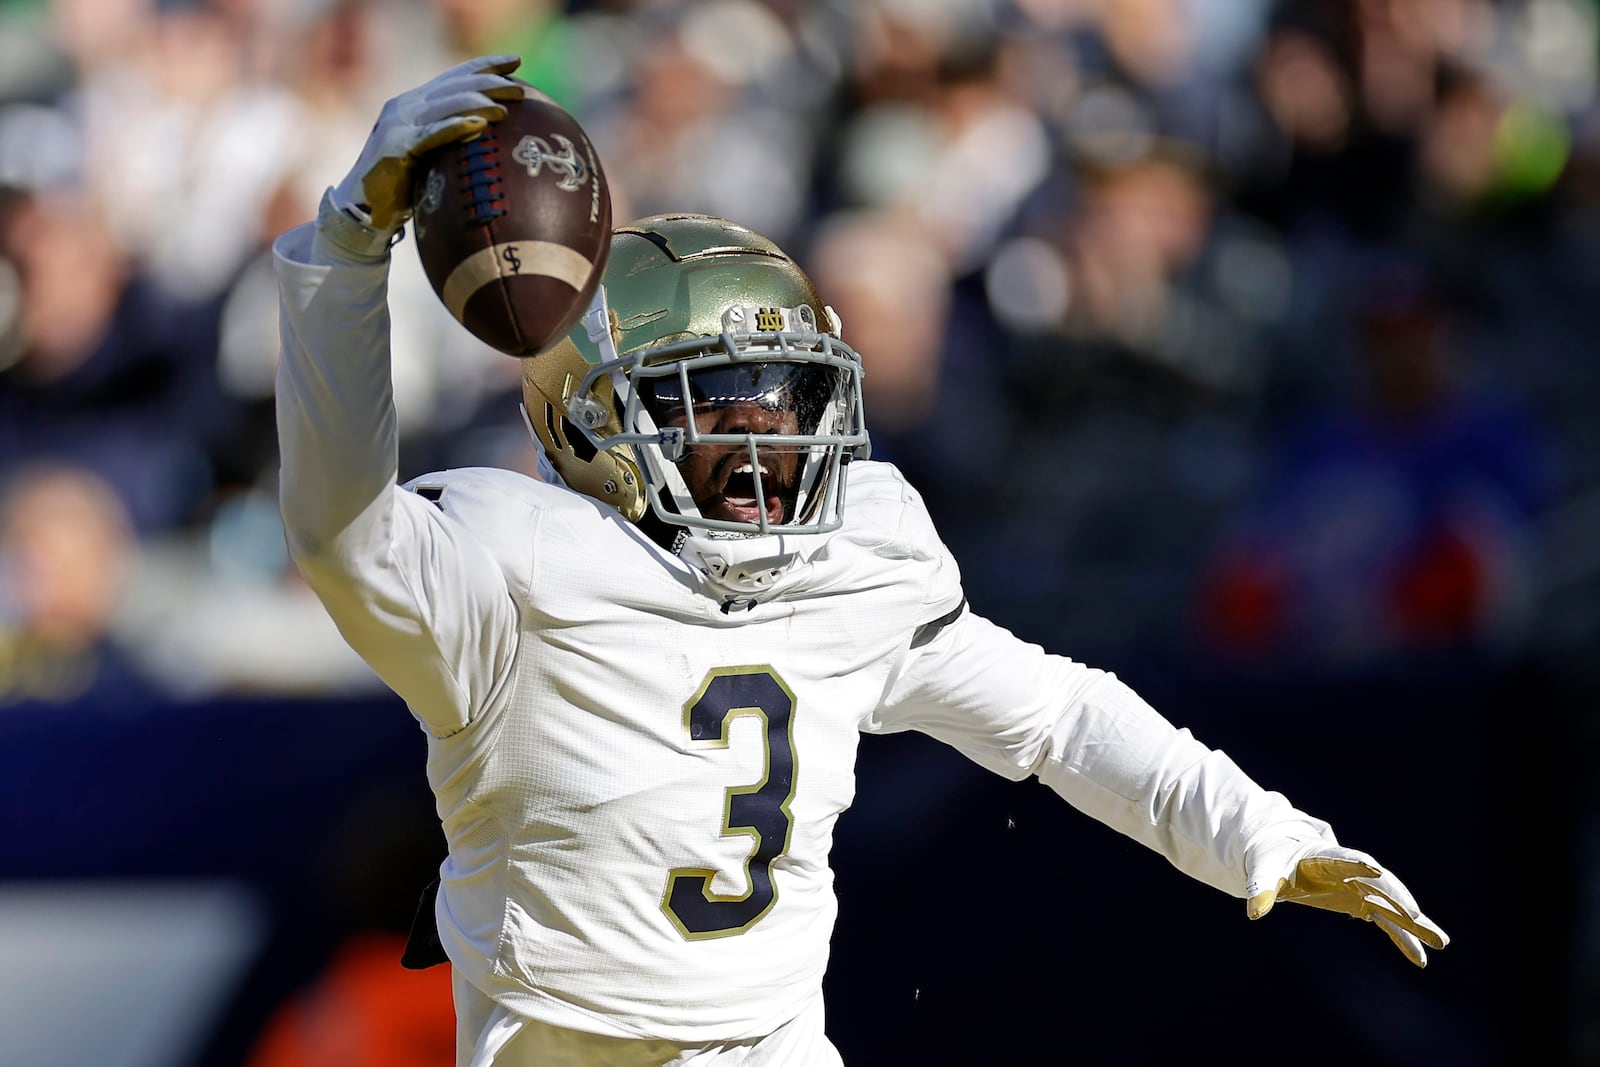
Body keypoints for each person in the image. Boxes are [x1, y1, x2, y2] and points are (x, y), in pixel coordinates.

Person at [274, 55, 1449, 1067]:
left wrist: (1257, 829)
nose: (765, 436)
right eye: (715, 405)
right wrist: (347, 244)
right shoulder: (511, 571)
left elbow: (1056, 718)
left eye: (784, 397)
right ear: (588, 424)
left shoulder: (854, 559)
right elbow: (340, 525)